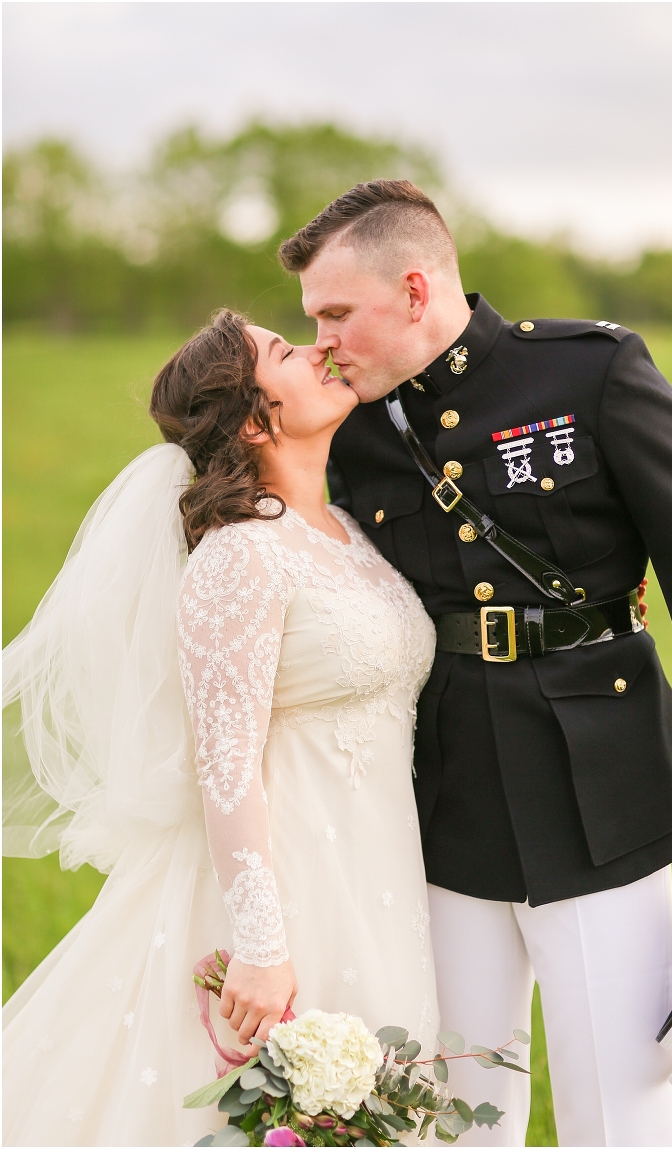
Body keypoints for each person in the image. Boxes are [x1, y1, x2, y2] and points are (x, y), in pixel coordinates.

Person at [277, 179, 672, 1148]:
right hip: (442, 795)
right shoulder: (356, 426)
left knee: (620, 1103)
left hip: (604, 787)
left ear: (415, 290)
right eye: (313, 320)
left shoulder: (590, 372)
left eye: (336, 313)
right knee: (456, 1106)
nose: (322, 341)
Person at [2, 310, 439, 1147]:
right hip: (287, 886)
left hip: (375, 868)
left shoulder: (345, 532)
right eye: (284, 351)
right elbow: (226, 765)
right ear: (253, 421)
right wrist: (261, 945)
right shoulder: (240, 556)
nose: (317, 347)